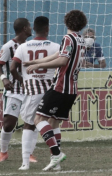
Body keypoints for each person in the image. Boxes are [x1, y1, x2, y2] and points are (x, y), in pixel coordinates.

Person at [23, 10, 87, 171]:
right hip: (71, 89)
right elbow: (58, 54)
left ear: (66, 22)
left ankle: (56, 154)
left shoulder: (67, 38)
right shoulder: (80, 40)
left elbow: (62, 60)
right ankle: (56, 163)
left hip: (60, 86)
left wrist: (38, 66)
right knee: (53, 122)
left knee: (38, 119)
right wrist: (36, 61)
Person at [10, 16, 60, 170]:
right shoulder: (56, 46)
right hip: (51, 91)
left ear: (35, 29)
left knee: (29, 124)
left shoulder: (23, 47)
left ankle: (25, 162)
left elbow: (13, 68)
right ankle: (56, 161)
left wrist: (22, 80)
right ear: (47, 29)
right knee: (53, 123)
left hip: (33, 91)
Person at [0, 18, 33, 163]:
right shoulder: (8, 46)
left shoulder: (31, 46)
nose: (31, 28)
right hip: (14, 91)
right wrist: (4, 78)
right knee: (9, 123)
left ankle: (29, 154)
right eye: (29, 26)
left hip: (30, 90)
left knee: (31, 122)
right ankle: (3, 153)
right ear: (24, 28)